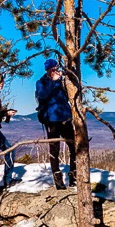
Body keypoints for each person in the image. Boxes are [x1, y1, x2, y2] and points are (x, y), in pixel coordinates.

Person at [35, 58, 76, 190]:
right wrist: (53, 82)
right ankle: (58, 179)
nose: (56, 71)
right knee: (54, 150)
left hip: (65, 119)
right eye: (53, 69)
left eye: (56, 68)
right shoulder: (41, 82)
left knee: (74, 146)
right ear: (49, 70)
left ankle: (73, 176)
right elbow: (43, 95)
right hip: (51, 120)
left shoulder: (63, 80)